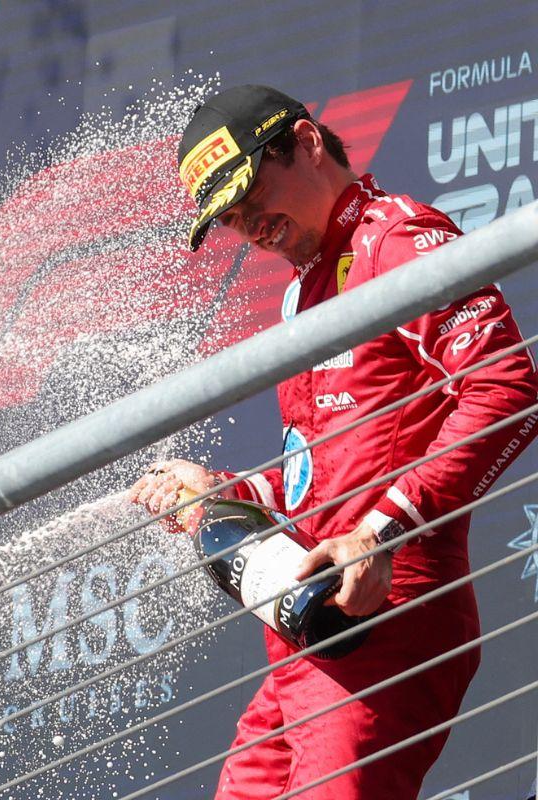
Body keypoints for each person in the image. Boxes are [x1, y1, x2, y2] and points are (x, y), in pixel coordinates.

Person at [131, 85, 538, 798]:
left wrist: (380, 533)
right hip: (309, 629)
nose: (251, 226)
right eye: (231, 218)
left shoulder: (396, 237)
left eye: (253, 196)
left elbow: (506, 388)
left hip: (385, 617)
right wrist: (226, 491)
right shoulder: (306, 292)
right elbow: (316, 480)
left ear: (309, 143)